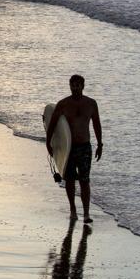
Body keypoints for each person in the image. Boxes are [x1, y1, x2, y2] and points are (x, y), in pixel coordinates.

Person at [44, 75, 102, 224]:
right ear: (70, 86)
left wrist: (100, 144)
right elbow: (52, 125)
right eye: (73, 85)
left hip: (84, 147)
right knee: (69, 180)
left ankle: (87, 213)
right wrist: (48, 142)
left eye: (78, 85)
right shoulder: (63, 104)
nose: (75, 88)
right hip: (68, 149)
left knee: (84, 180)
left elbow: (96, 124)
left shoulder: (91, 104)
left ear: (83, 86)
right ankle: (73, 210)